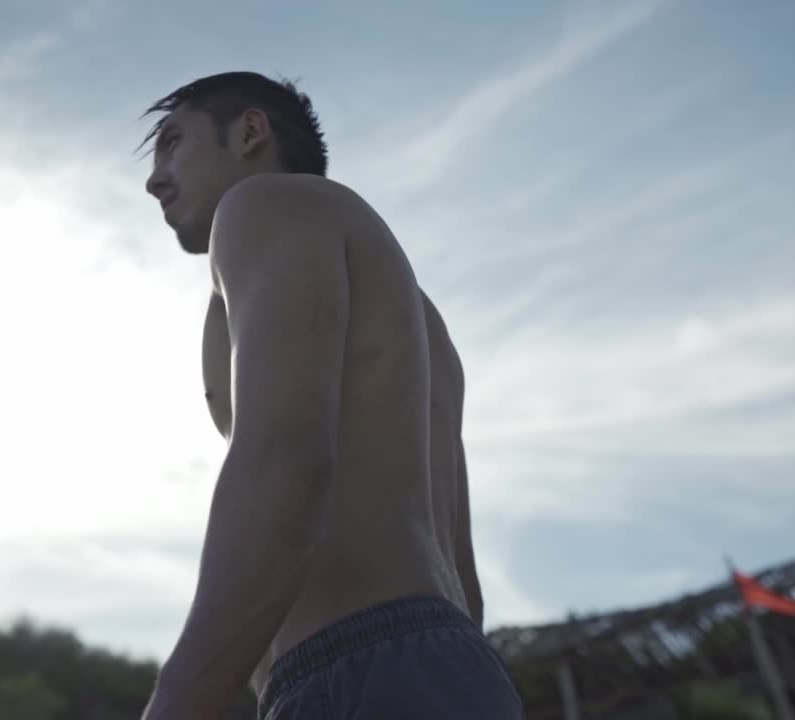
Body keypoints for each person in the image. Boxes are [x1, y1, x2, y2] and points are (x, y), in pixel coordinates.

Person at [138, 71, 523, 720]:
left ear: (251, 132)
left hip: (354, 671)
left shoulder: (263, 205)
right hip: (450, 668)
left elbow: (285, 466)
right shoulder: (420, 321)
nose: (154, 178)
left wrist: (177, 702)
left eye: (173, 142)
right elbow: (464, 574)